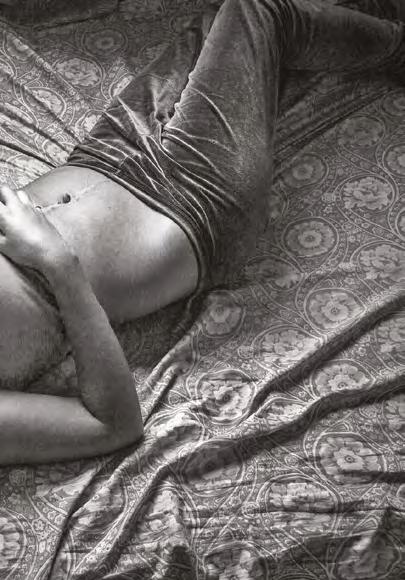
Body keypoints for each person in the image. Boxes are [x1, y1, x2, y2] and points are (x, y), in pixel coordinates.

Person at [0, 0, 403, 464]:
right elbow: (113, 425)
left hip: (108, 151)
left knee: (218, 23)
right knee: (259, 11)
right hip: (189, 202)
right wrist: (56, 262)